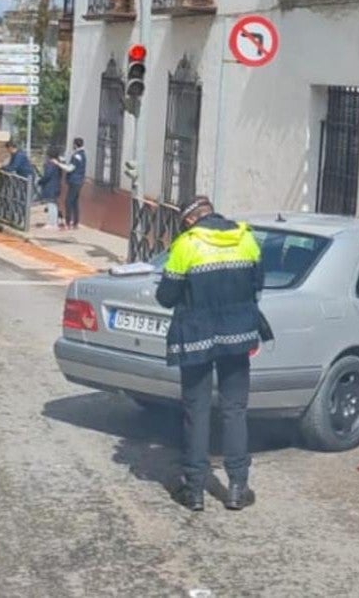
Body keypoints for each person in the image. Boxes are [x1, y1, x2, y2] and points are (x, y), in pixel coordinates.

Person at [155, 196, 272, 512]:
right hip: (238, 337)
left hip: (196, 338)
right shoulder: (246, 238)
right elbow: (257, 286)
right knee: (235, 409)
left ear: (190, 220)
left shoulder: (188, 244)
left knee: (198, 410)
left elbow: (165, 297)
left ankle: (194, 490)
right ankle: (237, 487)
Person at [37, 145, 70, 230]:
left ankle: (52, 223)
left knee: (51, 205)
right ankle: (54, 223)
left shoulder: (50, 164)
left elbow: (47, 175)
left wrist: (40, 181)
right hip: (56, 185)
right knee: (53, 204)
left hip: (50, 186)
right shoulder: (57, 163)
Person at [63, 137, 87, 230]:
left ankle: (68, 222)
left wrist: (59, 164)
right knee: (75, 202)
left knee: (68, 201)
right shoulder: (83, 154)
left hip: (74, 180)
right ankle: (75, 222)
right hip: (79, 181)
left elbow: (70, 168)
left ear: (75, 145)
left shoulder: (76, 156)